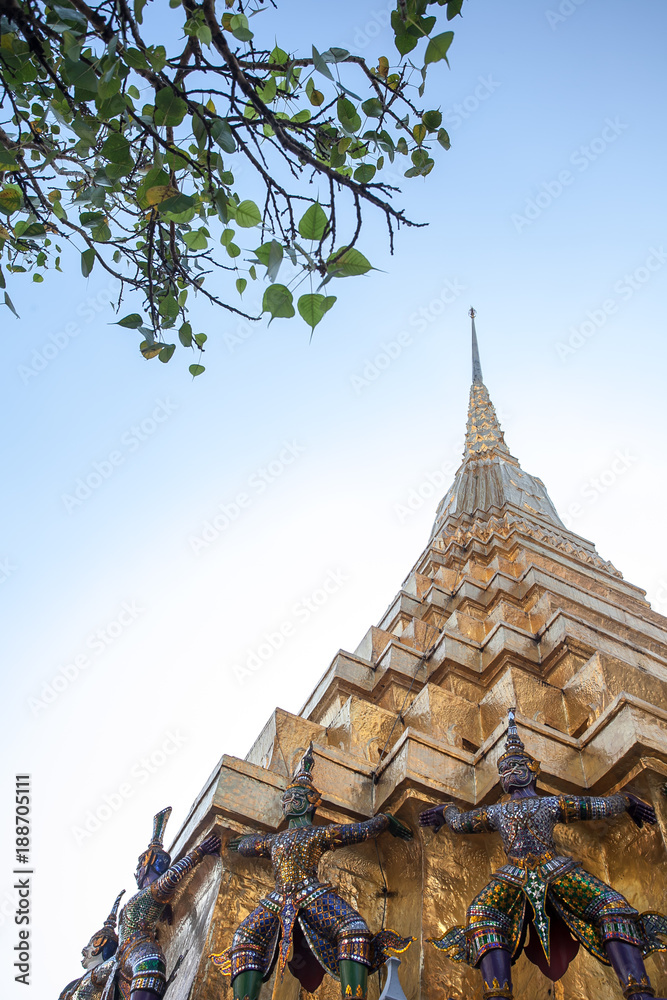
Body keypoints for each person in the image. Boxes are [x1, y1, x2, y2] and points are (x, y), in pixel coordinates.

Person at [419, 710, 667, 1000]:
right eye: (503, 770)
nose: (508, 773)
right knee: (481, 915)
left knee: (612, 906)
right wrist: (448, 810)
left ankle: (638, 990)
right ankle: (497, 995)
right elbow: (461, 824)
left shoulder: (551, 805)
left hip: (555, 868)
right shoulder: (497, 812)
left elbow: (596, 807)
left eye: (514, 766)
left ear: (532, 770)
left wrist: (625, 801)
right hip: (512, 875)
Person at [211, 743, 413, 999]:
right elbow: (254, 845)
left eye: (295, 798)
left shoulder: (318, 833)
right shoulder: (274, 840)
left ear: (310, 803)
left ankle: (354, 995)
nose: (288, 803)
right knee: (244, 938)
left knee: (354, 930)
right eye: (286, 799)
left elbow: (358, 831)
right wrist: (239, 843)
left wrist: (384, 820)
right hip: (278, 897)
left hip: (311, 893)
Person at [113, 806, 220, 999]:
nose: (137, 873)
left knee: (150, 964)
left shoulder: (145, 897)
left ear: (145, 866)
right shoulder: (143, 898)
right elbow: (167, 881)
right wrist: (199, 851)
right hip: (134, 957)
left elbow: (169, 879)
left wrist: (200, 851)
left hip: (138, 959)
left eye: (138, 868)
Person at [59, 891, 124, 1000]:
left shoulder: (105, 974)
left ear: (99, 947)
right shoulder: (72, 987)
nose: (85, 949)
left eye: (90, 945)